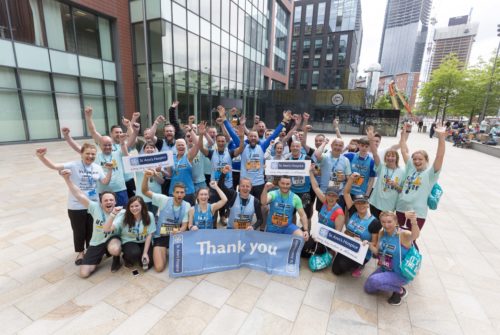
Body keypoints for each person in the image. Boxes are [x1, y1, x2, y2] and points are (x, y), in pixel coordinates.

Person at [35, 144, 112, 265]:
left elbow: (105, 182)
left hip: (93, 205)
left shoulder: (97, 167)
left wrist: (110, 170)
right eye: (87, 153)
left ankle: (90, 249)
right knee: (78, 230)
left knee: (92, 229)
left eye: (93, 154)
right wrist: (42, 157)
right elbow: (54, 166)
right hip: (76, 205)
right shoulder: (73, 165)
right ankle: (80, 252)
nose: (90, 156)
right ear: (81, 153)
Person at [60, 170, 122, 276]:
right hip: (97, 242)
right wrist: (67, 179)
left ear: (115, 202)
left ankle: (116, 258)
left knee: (115, 249)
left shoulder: (120, 213)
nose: (109, 202)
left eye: (111, 200)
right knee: (84, 273)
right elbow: (79, 195)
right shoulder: (94, 207)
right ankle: (100, 254)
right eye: (105, 200)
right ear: (101, 203)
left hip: (112, 239)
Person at [396, 123, 446, 233]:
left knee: (410, 241)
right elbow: (404, 151)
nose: (417, 161)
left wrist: (441, 137)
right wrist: (403, 136)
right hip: (401, 208)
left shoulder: (430, 174)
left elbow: (440, 156)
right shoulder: (411, 168)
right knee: (396, 237)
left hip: (417, 213)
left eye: (420, 159)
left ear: (426, 160)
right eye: (415, 159)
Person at [364, 210, 420, 306]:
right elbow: (377, 251)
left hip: (400, 273)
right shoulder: (382, 232)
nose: (386, 225)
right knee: (368, 287)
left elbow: (415, 235)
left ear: (396, 222)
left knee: (374, 281)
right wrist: (367, 244)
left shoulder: (402, 235)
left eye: (389, 222)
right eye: (383, 222)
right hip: (385, 268)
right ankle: (389, 282)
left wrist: (414, 222)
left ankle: (400, 291)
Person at [331, 173, 381, 277]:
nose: (360, 205)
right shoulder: (353, 211)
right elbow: (346, 193)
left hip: (362, 253)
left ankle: (360, 265)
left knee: (343, 266)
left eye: (363, 202)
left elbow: (375, 245)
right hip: (348, 246)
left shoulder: (374, 222)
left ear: (367, 204)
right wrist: (350, 180)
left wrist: (364, 242)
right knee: (336, 270)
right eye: (358, 203)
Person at [141, 169, 190, 272]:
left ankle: (170, 250)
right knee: (159, 268)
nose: (179, 195)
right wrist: (146, 177)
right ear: (173, 193)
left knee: (186, 263)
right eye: (177, 192)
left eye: (182, 192)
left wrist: (179, 231)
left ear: (185, 194)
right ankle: (161, 251)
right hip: (161, 236)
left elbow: (184, 226)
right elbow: (145, 191)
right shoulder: (164, 199)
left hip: (176, 235)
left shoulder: (187, 205)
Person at [84, 106, 137, 199]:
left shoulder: (124, 145)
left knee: (132, 204)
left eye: (121, 132)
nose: (119, 134)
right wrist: (89, 117)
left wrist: (129, 126)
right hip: (113, 183)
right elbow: (93, 131)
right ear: (111, 133)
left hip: (128, 180)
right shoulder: (106, 143)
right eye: (116, 132)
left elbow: (133, 140)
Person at [105, 196, 156, 269]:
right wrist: (113, 214)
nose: (134, 208)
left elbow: (149, 234)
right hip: (129, 241)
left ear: (142, 206)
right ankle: (127, 257)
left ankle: (140, 256)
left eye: (136, 206)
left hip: (144, 241)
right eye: (131, 206)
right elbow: (107, 229)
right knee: (134, 254)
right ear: (128, 207)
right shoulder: (124, 216)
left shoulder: (149, 215)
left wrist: (145, 253)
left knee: (148, 264)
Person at [366, 126, 405, 219]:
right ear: (385, 158)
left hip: (389, 205)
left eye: (393, 156)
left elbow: (403, 191)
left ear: (397, 158)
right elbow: (375, 153)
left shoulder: (402, 172)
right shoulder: (381, 167)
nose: (390, 158)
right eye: (388, 156)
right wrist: (371, 140)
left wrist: (396, 185)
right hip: (375, 203)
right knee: (375, 225)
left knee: (385, 226)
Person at [260, 176, 310, 241]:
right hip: (272, 227)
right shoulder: (273, 194)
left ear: (291, 184)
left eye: (287, 184)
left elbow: (302, 215)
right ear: (279, 183)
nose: (285, 186)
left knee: (302, 236)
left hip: (287, 227)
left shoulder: (295, 198)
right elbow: (263, 202)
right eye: (283, 183)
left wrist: (306, 230)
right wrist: (265, 189)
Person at [218, 165, 264, 230]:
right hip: (231, 230)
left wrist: (253, 227)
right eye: (243, 186)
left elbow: (260, 219)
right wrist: (223, 173)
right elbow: (221, 186)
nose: (245, 188)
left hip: (246, 231)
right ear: (239, 187)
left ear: (251, 188)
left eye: (247, 186)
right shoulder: (233, 195)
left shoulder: (255, 201)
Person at [163, 129, 199, 205]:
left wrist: (191, 131)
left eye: (182, 145)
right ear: (176, 147)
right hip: (174, 191)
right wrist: (161, 170)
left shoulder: (188, 156)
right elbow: (169, 175)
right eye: (179, 145)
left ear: (186, 146)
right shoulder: (171, 158)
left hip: (188, 191)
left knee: (189, 213)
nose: (181, 146)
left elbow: (198, 144)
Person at [315, 137, 351, 210]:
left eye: (340, 145)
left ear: (343, 147)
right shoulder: (325, 156)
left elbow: (348, 177)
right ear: (331, 146)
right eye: (336, 145)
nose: (338, 147)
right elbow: (317, 154)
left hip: (338, 194)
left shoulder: (345, 160)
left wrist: (344, 177)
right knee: (322, 217)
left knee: (338, 217)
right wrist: (324, 143)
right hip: (324, 193)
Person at [95, 135, 130, 206]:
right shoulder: (95, 157)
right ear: (100, 145)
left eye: (109, 145)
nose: (107, 147)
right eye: (105, 145)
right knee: (106, 215)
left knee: (123, 213)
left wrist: (122, 142)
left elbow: (126, 155)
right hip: (103, 192)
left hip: (120, 190)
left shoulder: (118, 153)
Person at [309, 166, 345, 230]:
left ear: (337, 197)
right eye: (329, 195)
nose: (331, 198)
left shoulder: (339, 213)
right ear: (325, 195)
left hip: (327, 238)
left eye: (333, 196)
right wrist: (310, 172)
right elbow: (316, 187)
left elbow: (337, 234)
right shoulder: (325, 201)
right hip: (318, 234)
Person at [134, 143, 164, 214]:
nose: (149, 149)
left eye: (151, 147)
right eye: (147, 147)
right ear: (144, 150)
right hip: (142, 196)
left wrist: (155, 174)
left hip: (155, 195)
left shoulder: (159, 163)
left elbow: (162, 182)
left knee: (153, 216)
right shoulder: (138, 161)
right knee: (144, 217)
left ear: (155, 150)